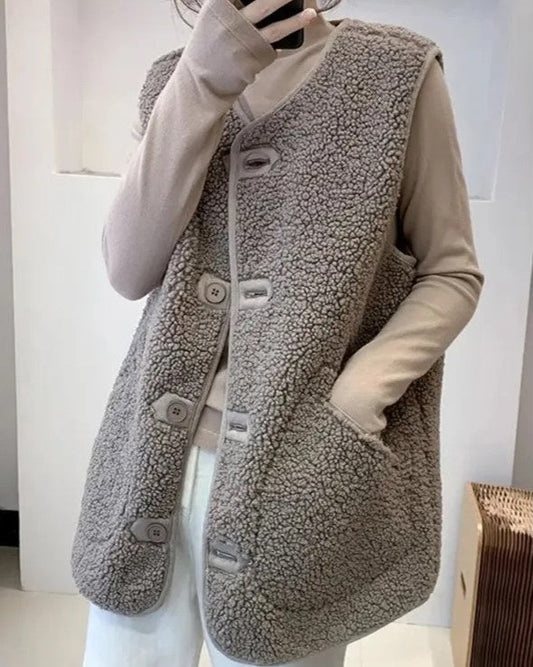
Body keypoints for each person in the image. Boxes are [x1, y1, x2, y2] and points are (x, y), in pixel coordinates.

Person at [80, 0, 485, 665]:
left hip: (299, 473)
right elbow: (128, 268)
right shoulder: (173, 80)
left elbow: (451, 273)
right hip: (150, 468)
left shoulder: (396, 75)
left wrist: (353, 400)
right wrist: (200, 82)